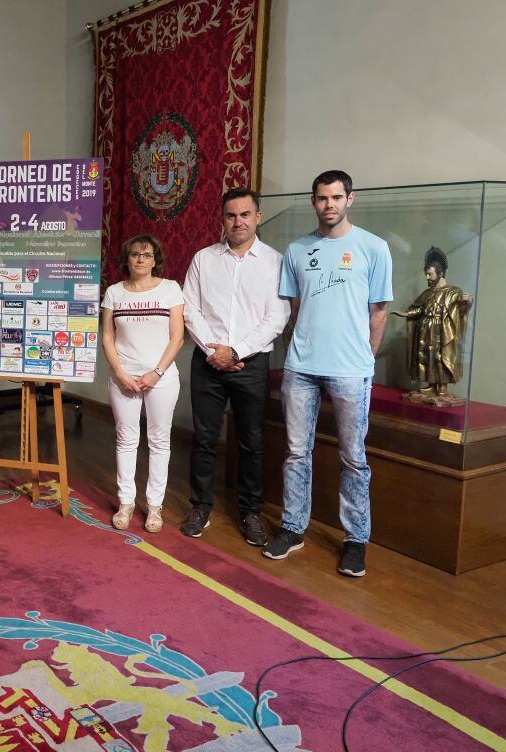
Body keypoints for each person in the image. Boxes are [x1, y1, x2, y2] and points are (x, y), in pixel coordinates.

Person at [263, 170, 393, 577]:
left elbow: (379, 311)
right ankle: (292, 527)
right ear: (313, 202)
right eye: (322, 198)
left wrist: (365, 361)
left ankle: (355, 540)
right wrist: (298, 350)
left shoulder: (374, 248)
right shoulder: (298, 249)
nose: (329, 205)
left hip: (351, 371)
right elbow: (295, 310)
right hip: (301, 368)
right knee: (297, 452)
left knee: (354, 458)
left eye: (337, 197)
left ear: (350, 199)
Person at [181, 188, 289, 545]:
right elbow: (189, 308)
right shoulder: (204, 259)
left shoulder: (275, 262)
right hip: (207, 361)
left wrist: (236, 351)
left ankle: (251, 513)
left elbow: (277, 317)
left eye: (245, 214)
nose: (238, 221)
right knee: (205, 439)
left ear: (257, 217)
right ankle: (200, 506)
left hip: (251, 365)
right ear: (222, 219)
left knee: (252, 442)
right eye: (231, 215)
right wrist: (215, 352)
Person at [100, 234, 184, 533]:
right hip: (123, 377)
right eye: (135, 254)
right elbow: (107, 336)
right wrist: (120, 373)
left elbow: (177, 337)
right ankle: (126, 502)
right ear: (127, 258)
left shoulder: (171, 289)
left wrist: (156, 373)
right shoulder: (114, 293)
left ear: (154, 259)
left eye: (146, 255)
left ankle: (155, 507)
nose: (140, 259)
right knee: (126, 439)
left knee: (160, 441)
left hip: (160, 377)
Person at [391, 246, 472, 401]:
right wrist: (406, 313)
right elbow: (419, 310)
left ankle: (442, 387)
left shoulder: (453, 292)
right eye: (426, 274)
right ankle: (431, 383)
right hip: (426, 330)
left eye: (430, 274)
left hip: (442, 330)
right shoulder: (427, 293)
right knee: (427, 357)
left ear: (440, 273)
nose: (427, 277)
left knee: (441, 357)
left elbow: (460, 311)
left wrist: (468, 302)